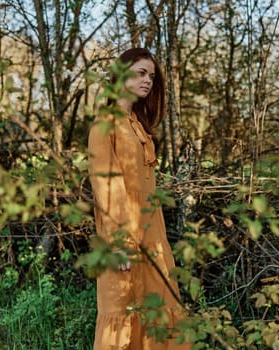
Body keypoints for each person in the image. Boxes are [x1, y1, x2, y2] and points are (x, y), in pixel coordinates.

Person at [88, 48, 190, 350]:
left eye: (152, 76)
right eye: (141, 73)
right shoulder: (104, 124)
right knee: (121, 312)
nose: (148, 80)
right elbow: (107, 187)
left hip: (153, 238)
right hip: (122, 240)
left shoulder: (137, 123)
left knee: (160, 306)